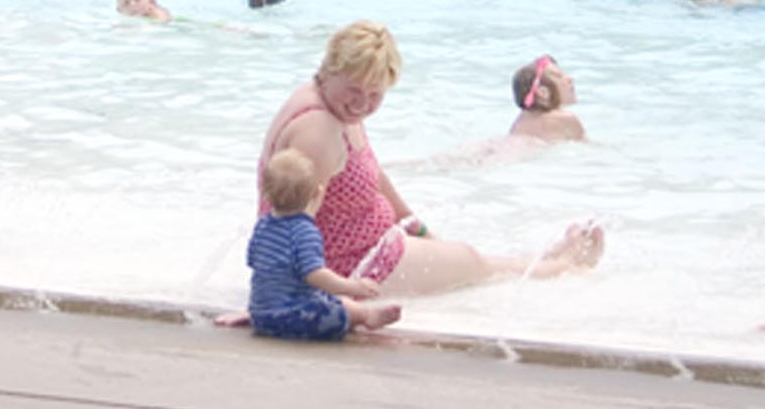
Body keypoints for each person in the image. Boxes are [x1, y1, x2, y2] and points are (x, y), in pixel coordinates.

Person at [254, 22, 602, 297]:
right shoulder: (317, 132)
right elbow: (285, 229)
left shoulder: (338, 107)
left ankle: (549, 262)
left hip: (369, 245)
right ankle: (566, 266)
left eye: (375, 94)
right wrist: (288, 300)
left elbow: (372, 172)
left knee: (465, 255)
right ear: (329, 70)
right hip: (347, 270)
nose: (362, 104)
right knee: (472, 262)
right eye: (355, 90)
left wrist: (414, 225)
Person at [248, 150, 403, 340]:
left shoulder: (263, 225)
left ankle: (361, 313)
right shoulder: (304, 231)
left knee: (329, 300)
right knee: (333, 308)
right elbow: (314, 274)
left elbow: (254, 260)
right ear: (317, 193)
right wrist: (352, 286)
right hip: (291, 319)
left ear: (265, 192)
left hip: (260, 316)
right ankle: (364, 316)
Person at [508, 56, 585, 143]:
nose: (570, 79)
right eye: (559, 76)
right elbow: (587, 149)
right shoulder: (565, 119)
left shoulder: (521, 120)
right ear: (543, 92)